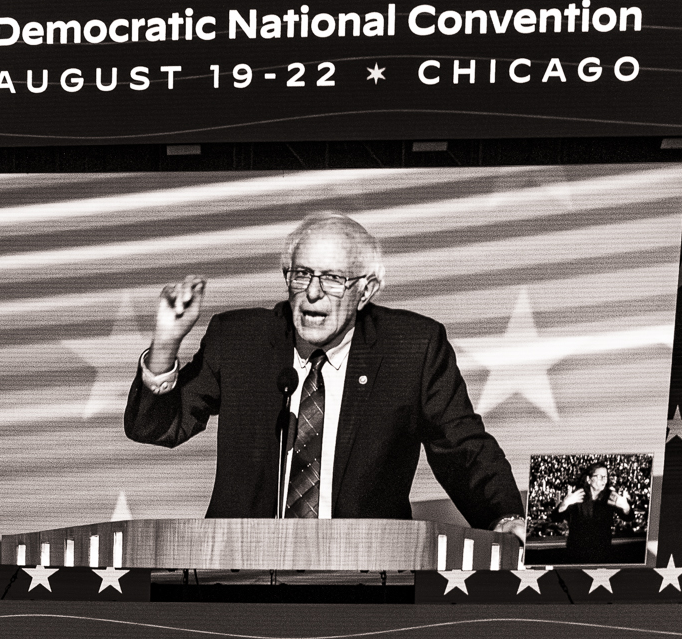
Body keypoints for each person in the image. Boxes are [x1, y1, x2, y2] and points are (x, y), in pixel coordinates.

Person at [122, 211, 527, 533]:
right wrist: (165, 345)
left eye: (333, 279)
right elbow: (157, 427)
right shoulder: (241, 339)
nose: (312, 293)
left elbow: (462, 449)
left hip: (367, 580)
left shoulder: (411, 348)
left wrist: (504, 517)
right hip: (241, 573)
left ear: (366, 291)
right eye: (302, 275)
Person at [553, 460, 638, 561]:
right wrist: (564, 504)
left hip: (602, 552)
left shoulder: (609, 496)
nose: (603, 480)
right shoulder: (577, 496)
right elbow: (555, 517)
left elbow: (629, 517)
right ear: (589, 479)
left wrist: (625, 507)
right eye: (599, 476)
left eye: (605, 477)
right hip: (577, 553)